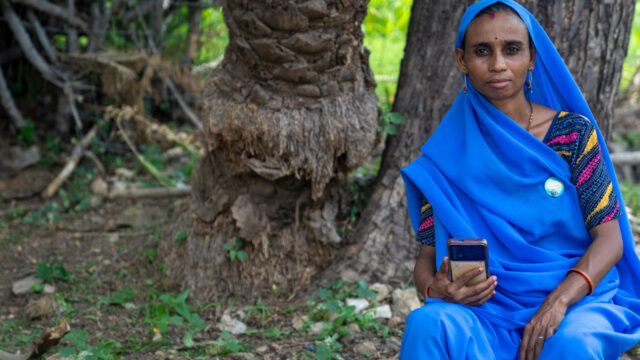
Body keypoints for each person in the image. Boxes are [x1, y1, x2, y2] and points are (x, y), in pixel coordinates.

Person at [399, 0, 640, 359]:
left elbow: (610, 240)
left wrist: (557, 302)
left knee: (573, 346)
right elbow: (425, 261)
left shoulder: (572, 136)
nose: (498, 64)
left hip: (574, 300)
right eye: (482, 51)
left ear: (531, 58)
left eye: (511, 50)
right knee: (427, 323)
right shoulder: (449, 155)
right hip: (484, 311)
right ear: (461, 60)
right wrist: (437, 291)